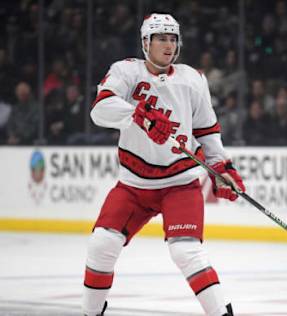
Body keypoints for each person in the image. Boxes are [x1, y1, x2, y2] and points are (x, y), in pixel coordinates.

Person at [82, 13, 244, 316]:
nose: (168, 45)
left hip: (180, 183)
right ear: (146, 42)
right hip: (133, 185)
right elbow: (100, 109)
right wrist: (137, 115)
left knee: (186, 251)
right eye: (161, 38)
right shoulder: (126, 71)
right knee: (101, 245)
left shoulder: (192, 78)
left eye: (173, 38)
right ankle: (91, 313)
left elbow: (206, 130)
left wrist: (221, 167)